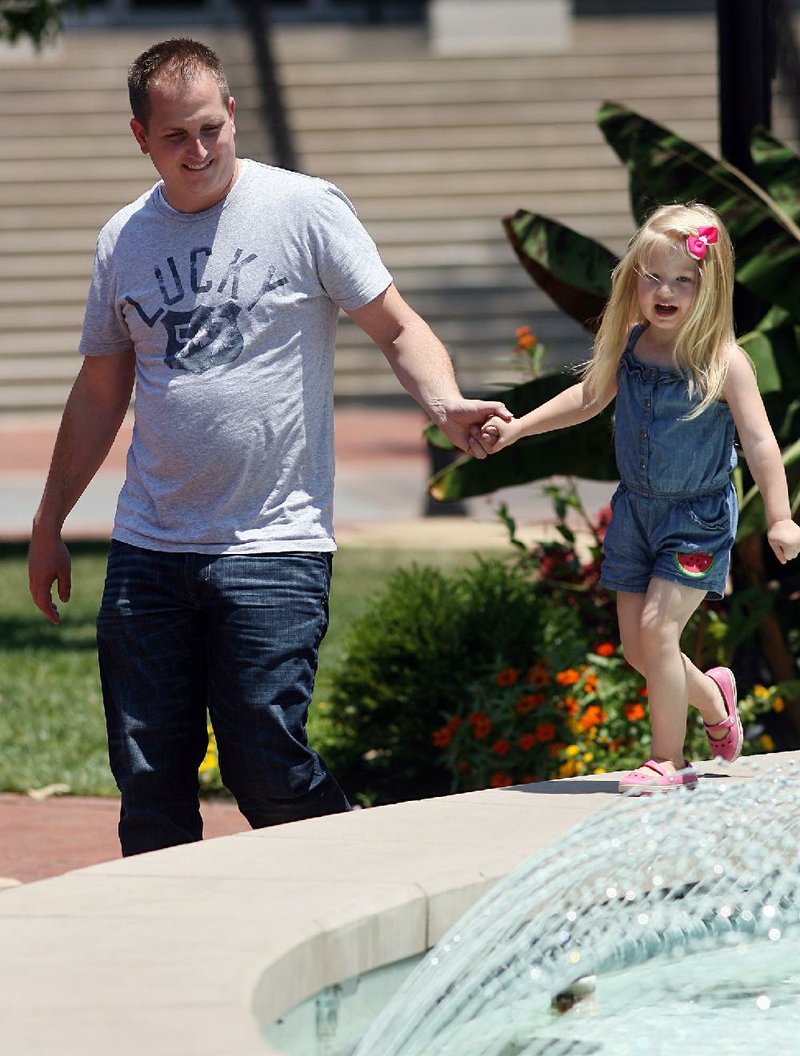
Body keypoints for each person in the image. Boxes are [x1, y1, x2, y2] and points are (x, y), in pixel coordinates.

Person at [28, 38, 510, 854]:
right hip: (149, 546)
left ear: (234, 114)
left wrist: (445, 401)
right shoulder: (123, 239)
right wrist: (48, 525)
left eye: (213, 127)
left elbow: (396, 328)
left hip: (273, 546)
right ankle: (172, 950)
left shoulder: (305, 209)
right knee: (149, 779)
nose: (201, 149)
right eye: (177, 136)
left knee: (267, 765)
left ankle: (359, 880)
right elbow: (101, 390)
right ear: (140, 136)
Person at [478, 202, 800, 794]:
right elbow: (587, 397)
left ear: (711, 286)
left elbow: (759, 441)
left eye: (684, 279)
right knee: (638, 650)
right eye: (653, 277)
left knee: (658, 629)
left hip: (696, 518)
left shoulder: (724, 362)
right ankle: (714, 698)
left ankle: (668, 762)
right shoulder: (629, 345)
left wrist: (779, 516)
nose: (667, 291)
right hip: (636, 513)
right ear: (634, 281)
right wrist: (520, 426)